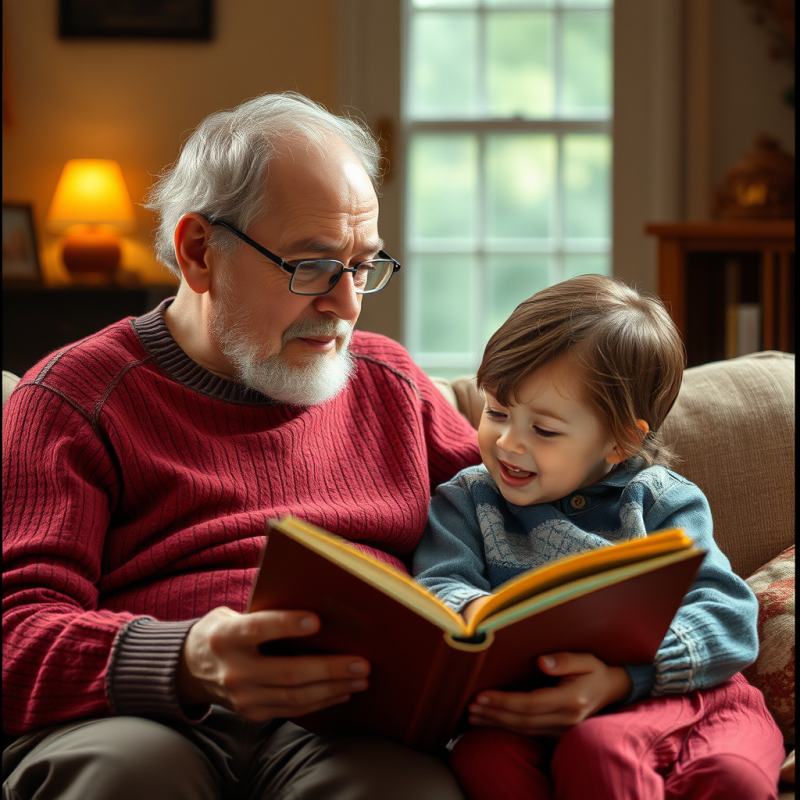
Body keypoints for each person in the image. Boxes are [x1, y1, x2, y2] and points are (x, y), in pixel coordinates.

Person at [2, 92, 481, 800]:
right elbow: (14, 633)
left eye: (364, 266)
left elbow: (524, 536)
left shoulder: (393, 386)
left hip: (349, 724)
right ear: (201, 252)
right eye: (313, 266)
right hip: (138, 717)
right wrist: (185, 659)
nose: (347, 305)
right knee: (128, 779)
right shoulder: (75, 398)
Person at [413, 275, 785, 800]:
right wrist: (480, 619)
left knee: (720, 776)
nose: (508, 441)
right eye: (496, 411)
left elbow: (728, 612)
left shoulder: (657, 500)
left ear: (619, 441)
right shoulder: (468, 501)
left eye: (544, 430)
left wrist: (624, 678)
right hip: (532, 713)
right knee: (482, 761)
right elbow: (440, 587)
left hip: (686, 699)